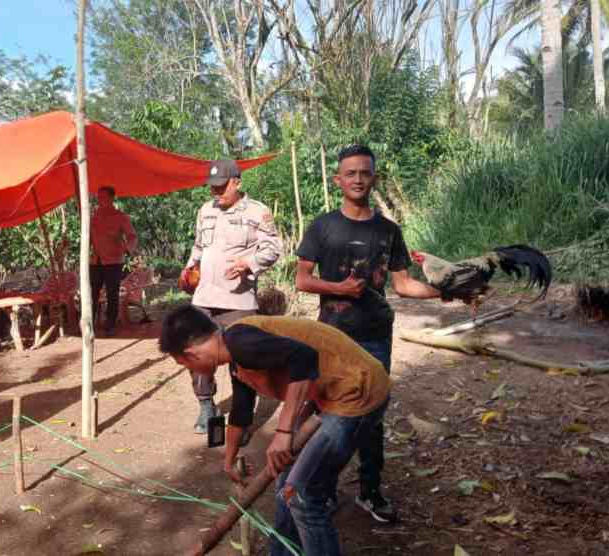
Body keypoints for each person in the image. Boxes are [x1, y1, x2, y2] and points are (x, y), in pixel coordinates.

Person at [159, 305, 391, 556]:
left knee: (301, 495)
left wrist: (284, 432)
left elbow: (305, 357)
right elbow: (241, 411)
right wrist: (228, 461)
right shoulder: (236, 355)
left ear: (191, 354)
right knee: (285, 489)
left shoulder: (241, 343)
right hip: (330, 395)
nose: (191, 370)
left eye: (185, 365)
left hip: (357, 394)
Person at [295, 144, 441, 523]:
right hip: (333, 336)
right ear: (338, 179)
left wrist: (447, 291)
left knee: (371, 415)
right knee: (328, 411)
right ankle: (323, 490)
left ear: (373, 178)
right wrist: (339, 289)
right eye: (351, 173)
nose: (358, 179)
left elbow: (404, 284)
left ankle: (370, 491)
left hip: (376, 334)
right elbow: (302, 280)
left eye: (365, 173)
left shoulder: (389, 230)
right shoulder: (323, 226)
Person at [181, 159, 282, 434]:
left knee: (243, 363)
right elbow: (199, 246)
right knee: (196, 353)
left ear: (237, 182)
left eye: (222, 188)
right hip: (204, 298)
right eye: (213, 188)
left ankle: (241, 419)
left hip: (238, 302)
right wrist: (190, 267)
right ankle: (206, 405)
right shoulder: (205, 210)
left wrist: (249, 262)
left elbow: (272, 249)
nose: (216, 193)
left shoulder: (257, 212)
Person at [90, 186, 138, 336]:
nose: (100, 200)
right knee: (92, 293)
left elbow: (132, 236)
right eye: (99, 197)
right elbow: (89, 237)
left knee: (112, 293)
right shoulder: (93, 216)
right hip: (95, 261)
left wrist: (126, 249)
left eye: (103, 197)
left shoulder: (121, 217)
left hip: (113, 261)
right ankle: (89, 323)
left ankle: (110, 324)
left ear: (111, 198)